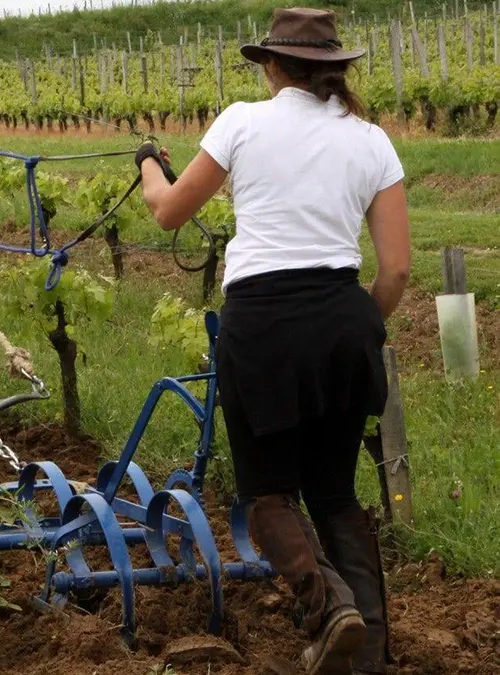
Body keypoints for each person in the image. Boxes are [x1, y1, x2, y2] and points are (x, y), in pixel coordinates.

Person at [133, 7, 410, 675]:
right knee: (335, 492)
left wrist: (147, 163)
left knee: (267, 497)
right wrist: (353, 327)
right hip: (344, 321)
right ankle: (367, 653)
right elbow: (397, 268)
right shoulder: (372, 139)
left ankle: (327, 605)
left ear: (275, 66)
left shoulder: (241, 122)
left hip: (262, 326)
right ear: (333, 70)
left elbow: (169, 210)